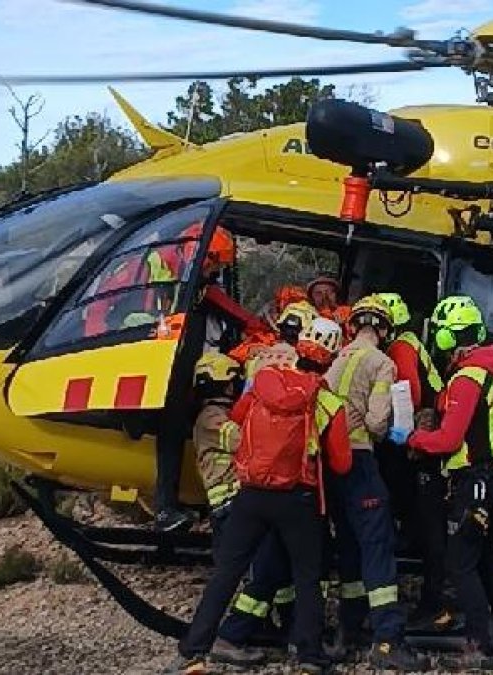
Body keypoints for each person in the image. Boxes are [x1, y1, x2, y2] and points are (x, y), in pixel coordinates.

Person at [176, 317, 352, 675]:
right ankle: (309, 655)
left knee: (227, 573)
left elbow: (239, 420)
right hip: (298, 497)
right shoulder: (328, 401)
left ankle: (193, 650)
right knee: (307, 576)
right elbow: (342, 462)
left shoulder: (262, 382)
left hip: (252, 494)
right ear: (331, 359)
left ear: (299, 347)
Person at [390, 296, 493, 670]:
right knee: (486, 561)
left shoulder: (467, 379)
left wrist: (412, 438)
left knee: (460, 563)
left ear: (446, 337)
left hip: (475, 482)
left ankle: (480, 646)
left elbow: (448, 440)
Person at [323, 296, 429, 671]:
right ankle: (388, 640)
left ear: (352, 326)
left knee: (349, 546)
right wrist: (390, 430)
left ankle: (347, 630)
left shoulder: (336, 359)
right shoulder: (382, 363)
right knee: (377, 546)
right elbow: (377, 421)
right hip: (361, 463)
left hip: (330, 465)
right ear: (385, 330)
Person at [155, 224, 269, 533]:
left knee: (174, 430)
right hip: (163, 364)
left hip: (174, 364)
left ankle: (170, 505)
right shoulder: (169, 273)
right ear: (203, 255)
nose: (216, 272)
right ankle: (165, 507)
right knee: (170, 431)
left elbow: (231, 310)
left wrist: (258, 329)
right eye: (214, 266)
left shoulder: (194, 280)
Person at [377, 292, 455, 632]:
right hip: (428, 435)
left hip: (424, 442)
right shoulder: (409, 342)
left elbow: (409, 392)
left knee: (427, 520)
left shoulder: (400, 348)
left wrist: (401, 435)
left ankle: (433, 604)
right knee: (420, 518)